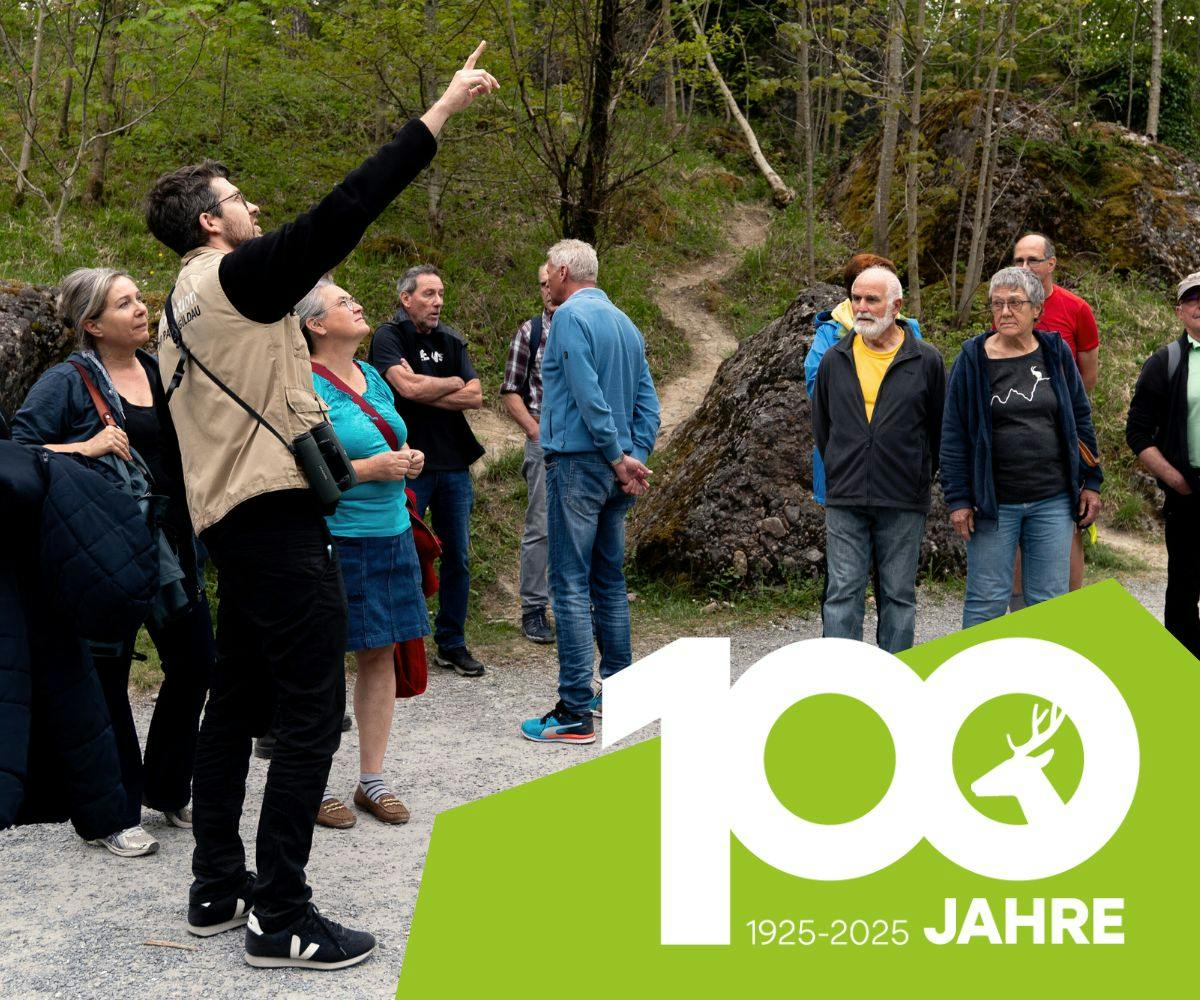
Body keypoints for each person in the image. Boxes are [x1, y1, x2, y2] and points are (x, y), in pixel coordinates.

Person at [145, 43, 497, 970]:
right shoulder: (231, 278)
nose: (252, 208)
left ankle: (217, 886)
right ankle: (281, 913)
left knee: (238, 701)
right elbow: (345, 210)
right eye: (237, 200)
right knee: (310, 710)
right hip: (274, 518)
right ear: (209, 223)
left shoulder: (181, 301)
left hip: (230, 520)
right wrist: (440, 113)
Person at [12, 267, 213, 858]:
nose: (139, 309)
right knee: (108, 682)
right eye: (123, 304)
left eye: (137, 299)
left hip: (171, 550)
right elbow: (19, 455)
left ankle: (167, 785)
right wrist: (86, 445)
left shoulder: (157, 372)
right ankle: (114, 812)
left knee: (197, 660)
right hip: (104, 556)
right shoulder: (66, 382)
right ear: (92, 325)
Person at [297, 278, 428, 829]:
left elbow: (387, 435)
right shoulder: (301, 383)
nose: (357, 304)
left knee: (380, 652)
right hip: (339, 535)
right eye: (343, 302)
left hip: (392, 530)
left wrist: (406, 456)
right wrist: (372, 470)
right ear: (316, 325)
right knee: (322, 658)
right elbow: (300, 466)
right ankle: (314, 783)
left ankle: (371, 780)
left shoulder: (371, 373)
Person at [520, 239, 660, 745]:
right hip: (614, 470)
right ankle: (622, 695)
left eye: (547, 273)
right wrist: (632, 456)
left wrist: (615, 455)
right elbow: (649, 402)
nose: (545, 282)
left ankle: (575, 711)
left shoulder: (568, 321)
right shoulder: (626, 323)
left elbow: (586, 394)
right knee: (608, 581)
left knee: (571, 584)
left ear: (561, 271)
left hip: (580, 464)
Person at [941, 267, 1102, 628]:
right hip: (993, 503)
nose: (1004, 311)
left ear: (1037, 310)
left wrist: (1091, 481)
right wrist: (959, 499)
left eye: (1015, 303)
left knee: (1048, 601)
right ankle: (978, 682)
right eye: (997, 304)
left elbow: (1079, 417)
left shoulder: (1055, 352)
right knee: (986, 601)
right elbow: (953, 435)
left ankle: (1038, 681)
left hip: (1052, 499)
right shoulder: (972, 358)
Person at [810, 266, 945, 653]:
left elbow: (937, 429)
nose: (862, 308)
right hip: (847, 496)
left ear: (896, 305)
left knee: (899, 598)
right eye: (856, 299)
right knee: (841, 596)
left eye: (872, 299)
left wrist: (919, 474)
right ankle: (842, 693)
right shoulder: (834, 360)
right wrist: (840, 467)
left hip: (903, 498)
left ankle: (894, 691)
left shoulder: (926, 361)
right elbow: (824, 427)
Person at [368, 265, 487, 677]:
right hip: (408, 463)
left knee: (457, 556)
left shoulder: (450, 338)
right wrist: (450, 382)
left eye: (441, 294)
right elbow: (406, 389)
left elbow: (476, 396)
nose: (437, 302)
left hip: (454, 465)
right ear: (406, 298)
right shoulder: (388, 336)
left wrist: (429, 388)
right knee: (406, 555)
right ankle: (401, 645)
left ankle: (451, 643)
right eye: (429, 294)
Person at [1012, 232, 1100, 595]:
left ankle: (1067, 620)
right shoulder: (1008, 306)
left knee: (1069, 521)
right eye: (1018, 260)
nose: (1024, 267)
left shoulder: (1076, 309)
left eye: (1032, 260)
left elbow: (1088, 378)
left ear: (1052, 263)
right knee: (1017, 524)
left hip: (1063, 433)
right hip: (1018, 433)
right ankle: (1019, 620)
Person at [804, 253, 923, 505]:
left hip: (898, 473)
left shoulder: (909, 330)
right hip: (844, 469)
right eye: (859, 296)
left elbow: (925, 397)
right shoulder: (830, 332)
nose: (864, 305)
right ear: (851, 293)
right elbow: (817, 388)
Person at [1125, 271, 1200, 659]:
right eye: (1193, 299)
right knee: (1184, 590)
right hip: (1187, 493)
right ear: (1179, 311)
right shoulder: (1165, 362)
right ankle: (1182, 681)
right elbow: (1137, 432)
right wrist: (1175, 479)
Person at [499, 264, 558, 644]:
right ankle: (534, 608)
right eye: (540, 284)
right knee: (540, 525)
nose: (546, 290)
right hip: (544, 436)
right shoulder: (531, 332)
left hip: (586, 442)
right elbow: (510, 391)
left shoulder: (587, 325)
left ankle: (575, 605)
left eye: (550, 282)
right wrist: (535, 432)